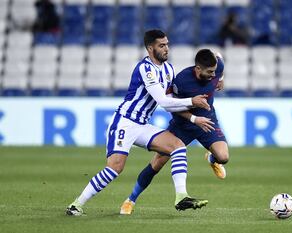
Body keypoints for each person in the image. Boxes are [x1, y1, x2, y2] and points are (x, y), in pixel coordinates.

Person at [66, 29, 210, 216]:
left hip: (142, 125)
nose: (167, 48)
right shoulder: (145, 68)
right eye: (161, 45)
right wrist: (192, 101)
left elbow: (170, 104)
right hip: (125, 122)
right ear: (150, 48)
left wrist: (193, 117)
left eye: (167, 44)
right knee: (115, 168)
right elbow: (163, 101)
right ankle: (76, 204)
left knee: (178, 146)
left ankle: (181, 196)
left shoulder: (168, 70)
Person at [119, 49, 229, 215]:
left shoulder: (216, 67)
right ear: (198, 69)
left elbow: (219, 57)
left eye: (215, 72)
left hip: (207, 121)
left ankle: (212, 158)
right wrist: (193, 118)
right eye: (210, 72)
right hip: (183, 125)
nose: (213, 74)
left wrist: (221, 78)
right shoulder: (182, 80)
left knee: (224, 157)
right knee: (157, 164)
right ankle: (130, 200)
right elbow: (172, 106)